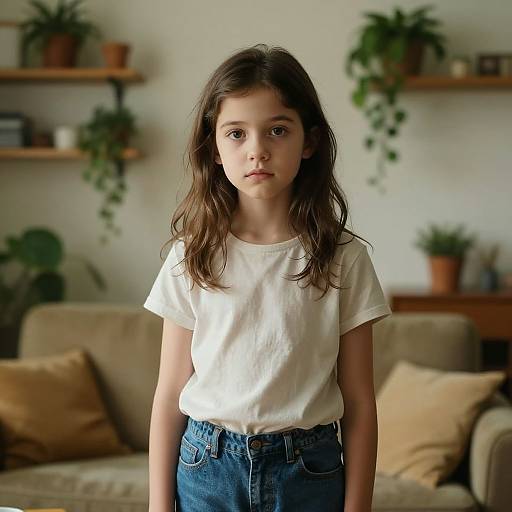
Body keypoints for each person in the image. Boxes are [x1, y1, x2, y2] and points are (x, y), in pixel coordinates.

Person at [143, 43, 392, 512]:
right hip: (206, 468)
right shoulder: (190, 255)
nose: (257, 150)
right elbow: (169, 394)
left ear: (310, 141)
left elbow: (359, 401)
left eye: (277, 130)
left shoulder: (344, 258)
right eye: (236, 133)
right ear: (213, 148)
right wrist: (159, 507)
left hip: (310, 471)